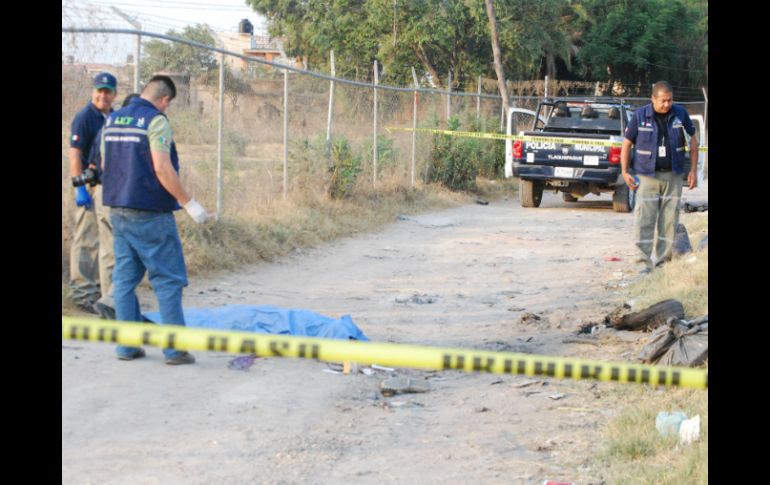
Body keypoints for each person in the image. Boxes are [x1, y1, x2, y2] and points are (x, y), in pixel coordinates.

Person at [101, 75, 210, 365]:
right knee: (168, 280)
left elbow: (105, 163)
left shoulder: (112, 120)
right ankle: (175, 350)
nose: (167, 108)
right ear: (164, 100)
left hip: (118, 210)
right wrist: (189, 203)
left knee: (124, 280)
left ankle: (127, 347)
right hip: (150, 212)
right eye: (168, 104)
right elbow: (162, 168)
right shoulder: (155, 121)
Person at [620, 81, 698, 273]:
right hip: (647, 176)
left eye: (670, 100)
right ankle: (643, 263)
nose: (667, 104)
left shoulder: (680, 114)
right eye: (663, 100)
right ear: (653, 99)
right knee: (644, 220)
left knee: (669, 220)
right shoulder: (640, 116)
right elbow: (627, 144)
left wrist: (693, 170)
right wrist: (625, 171)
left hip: (673, 176)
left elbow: (693, 141)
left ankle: (663, 261)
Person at [68, 72, 117, 315]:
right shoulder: (85, 117)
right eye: (99, 91)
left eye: (108, 92)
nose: (103, 96)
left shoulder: (113, 116)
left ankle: (100, 292)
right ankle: (82, 294)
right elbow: (75, 153)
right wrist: (79, 187)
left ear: (114, 94)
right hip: (87, 185)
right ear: (92, 91)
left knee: (105, 242)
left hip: (106, 186)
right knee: (86, 240)